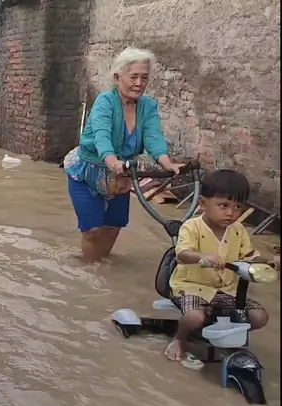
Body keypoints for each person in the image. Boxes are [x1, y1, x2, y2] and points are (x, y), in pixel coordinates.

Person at [63, 47, 186, 263]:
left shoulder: (147, 106)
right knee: (92, 230)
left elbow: (153, 137)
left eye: (144, 77)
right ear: (118, 77)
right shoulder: (105, 101)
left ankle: (101, 267)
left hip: (122, 174)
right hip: (87, 173)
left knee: (113, 228)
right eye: (134, 77)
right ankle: (91, 271)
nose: (139, 83)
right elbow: (102, 137)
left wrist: (167, 164)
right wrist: (112, 162)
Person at [166, 169, 272, 369]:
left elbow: (249, 256)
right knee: (194, 317)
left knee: (260, 316)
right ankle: (180, 338)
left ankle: (228, 339)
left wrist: (270, 261)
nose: (231, 213)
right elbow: (182, 254)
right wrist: (202, 256)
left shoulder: (238, 231)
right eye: (223, 206)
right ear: (204, 204)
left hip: (225, 290)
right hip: (191, 285)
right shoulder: (191, 227)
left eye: (237, 207)